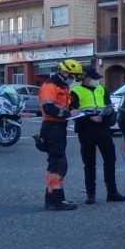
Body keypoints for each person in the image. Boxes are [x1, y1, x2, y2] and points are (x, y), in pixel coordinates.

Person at [70, 65, 125, 204]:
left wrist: (108, 113)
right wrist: (89, 118)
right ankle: (91, 194)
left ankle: (112, 192)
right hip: (86, 129)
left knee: (110, 159)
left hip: (103, 128)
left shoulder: (101, 89)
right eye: (94, 78)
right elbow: (73, 112)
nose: (97, 81)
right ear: (86, 79)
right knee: (89, 163)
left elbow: (108, 106)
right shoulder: (75, 92)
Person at [39, 59, 85, 210]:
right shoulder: (50, 86)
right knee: (57, 164)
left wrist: (74, 109)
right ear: (64, 72)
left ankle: (56, 198)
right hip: (52, 127)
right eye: (73, 75)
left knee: (59, 164)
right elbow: (48, 108)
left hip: (58, 127)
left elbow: (63, 105)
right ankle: (54, 200)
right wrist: (68, 113)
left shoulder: (62, 86)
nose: (74, 79)